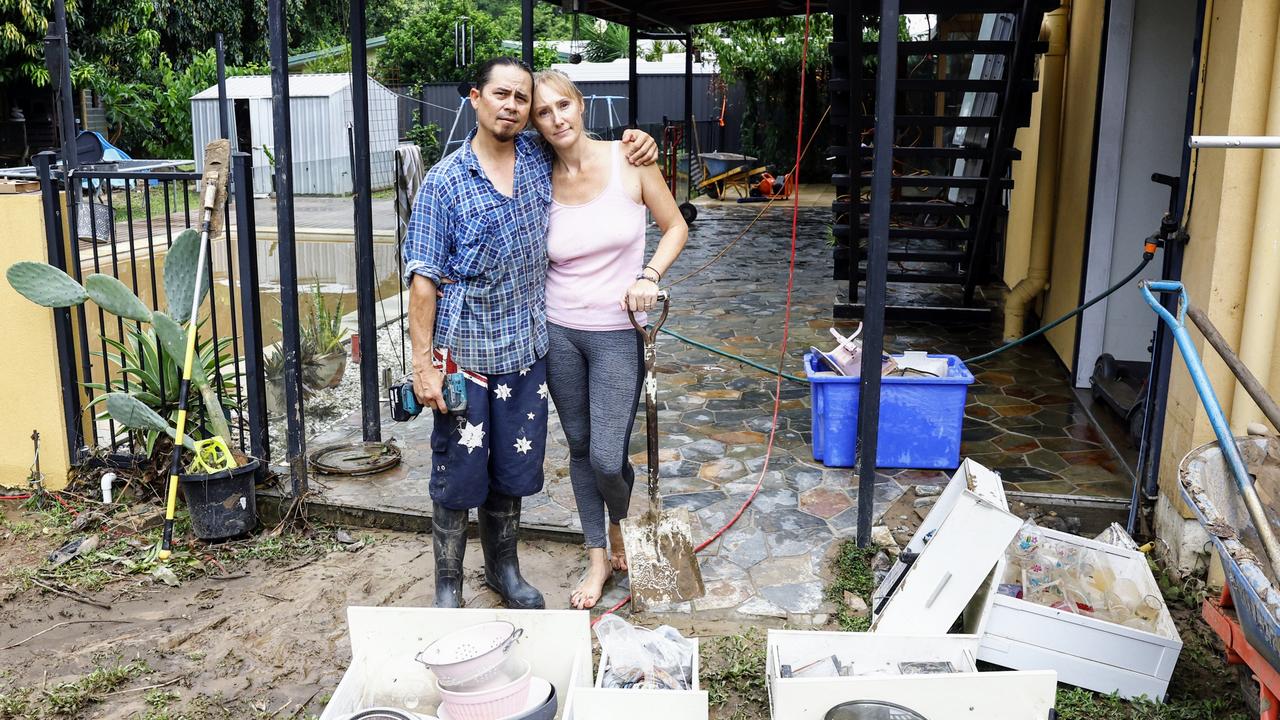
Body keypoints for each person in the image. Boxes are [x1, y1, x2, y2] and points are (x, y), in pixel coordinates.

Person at [403, 57, 657, 609]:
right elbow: (422, 280)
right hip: (463, 358)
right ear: (476, 97)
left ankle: (504, 570)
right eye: (503, 95)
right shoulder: (444, 183)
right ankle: (448, 582)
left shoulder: (538, 159)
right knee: (457, 473)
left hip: (526, 352)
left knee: (512, 470)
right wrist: (423, 364)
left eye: (523, 99)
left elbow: (581, 143)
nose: (514, 107)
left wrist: (639, 141)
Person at [530, 70, 689, 609]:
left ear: (579, 104)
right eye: (543, 113)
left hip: (620, 332)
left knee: (605, 455)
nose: (557, 119)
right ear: (535, 124)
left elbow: (675, 227)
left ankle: (620, 521)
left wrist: (649, 276)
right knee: (580, 449)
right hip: (559, 332)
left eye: (562, 106)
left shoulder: (631, 159)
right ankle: (599, 555)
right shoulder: (537, 175)